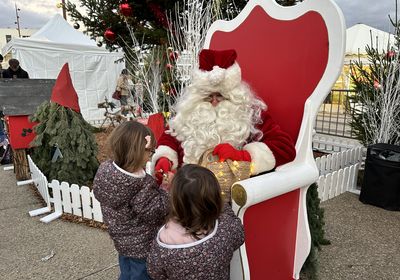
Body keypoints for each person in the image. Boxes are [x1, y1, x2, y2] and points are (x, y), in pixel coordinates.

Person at [152, 49, 296, 184]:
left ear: (234, 95)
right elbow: (170, 138)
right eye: (208, 96)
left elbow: (285, 148)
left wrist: (243, 156)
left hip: (231, 195)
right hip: (187, 191)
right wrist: (165, 158)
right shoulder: (189, 114)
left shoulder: (249, 114)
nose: (214, 102)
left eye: (220, 96)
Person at [93, 121, 169, 280]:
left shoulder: (106, 171)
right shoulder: (139, 184)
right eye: (150, 151)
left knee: (126, 271)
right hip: (142, 246)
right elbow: (155, 212)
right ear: (138, 152)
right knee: (141, 275)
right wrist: (166, 189)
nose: (151, 156)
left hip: (122, 241)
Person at [147, 164, 245, 279]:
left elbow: (154, 271)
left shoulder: (164, 239)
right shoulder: (225, 228)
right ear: (215, 200)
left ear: (174, 200)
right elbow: (239, 235)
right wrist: (223, 206)